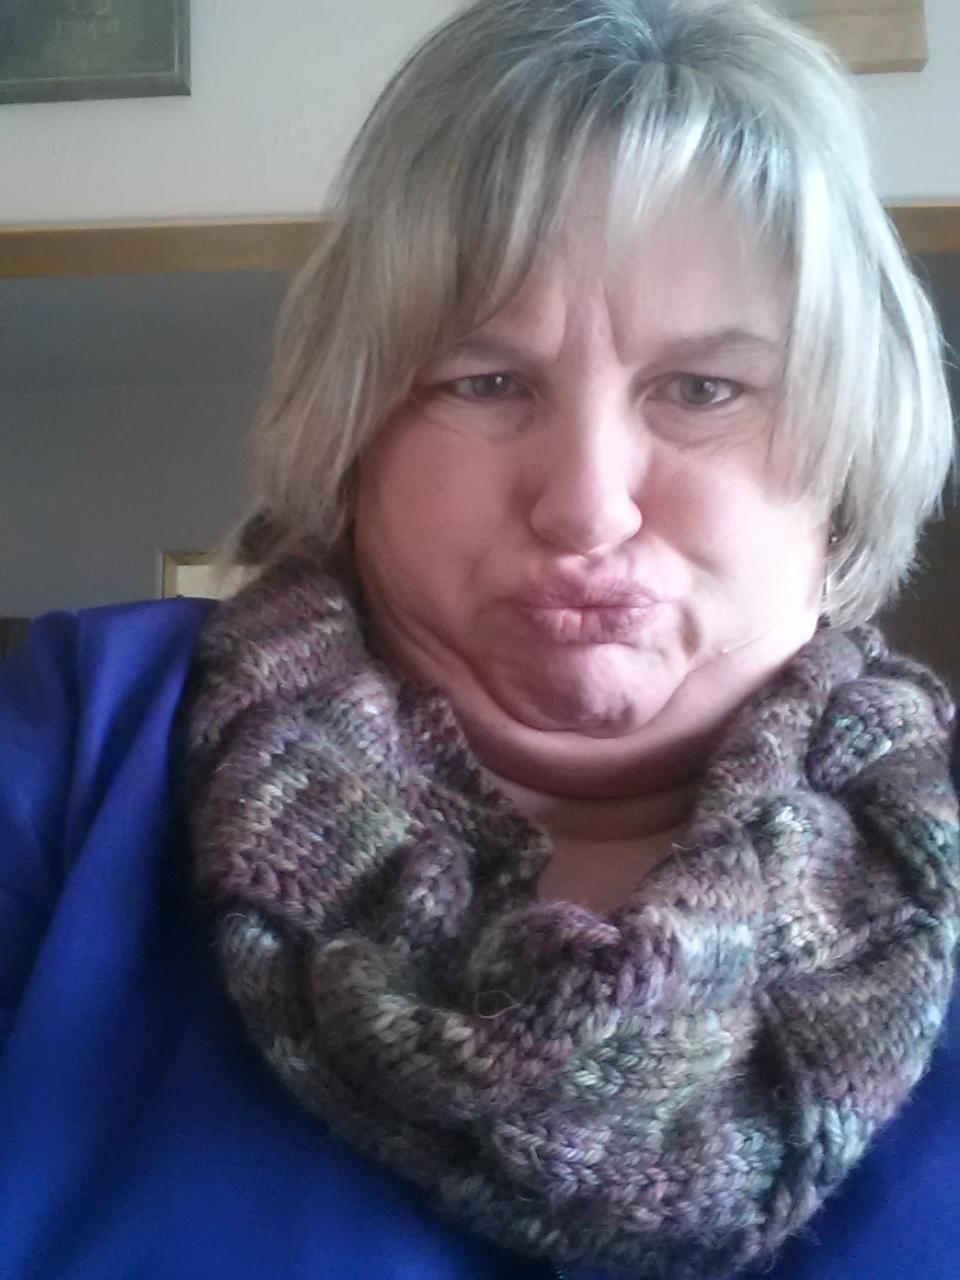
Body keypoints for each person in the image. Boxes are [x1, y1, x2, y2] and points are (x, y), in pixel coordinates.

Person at [1, 1, 957, 1277]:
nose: (586, 505)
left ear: (848, 448)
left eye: (704, 388)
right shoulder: (89, 746)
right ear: (356, 438)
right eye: (486, 381)